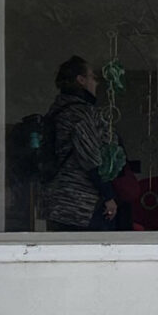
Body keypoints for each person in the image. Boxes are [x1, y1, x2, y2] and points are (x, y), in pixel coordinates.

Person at [39, 56, 120, 230]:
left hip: (55, 200)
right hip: (80, 204)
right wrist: (108, 195)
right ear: (81, 80)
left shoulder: (55, 111)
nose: (96, 83)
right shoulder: (80, 113)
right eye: (92, 77)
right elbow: (90, 157)